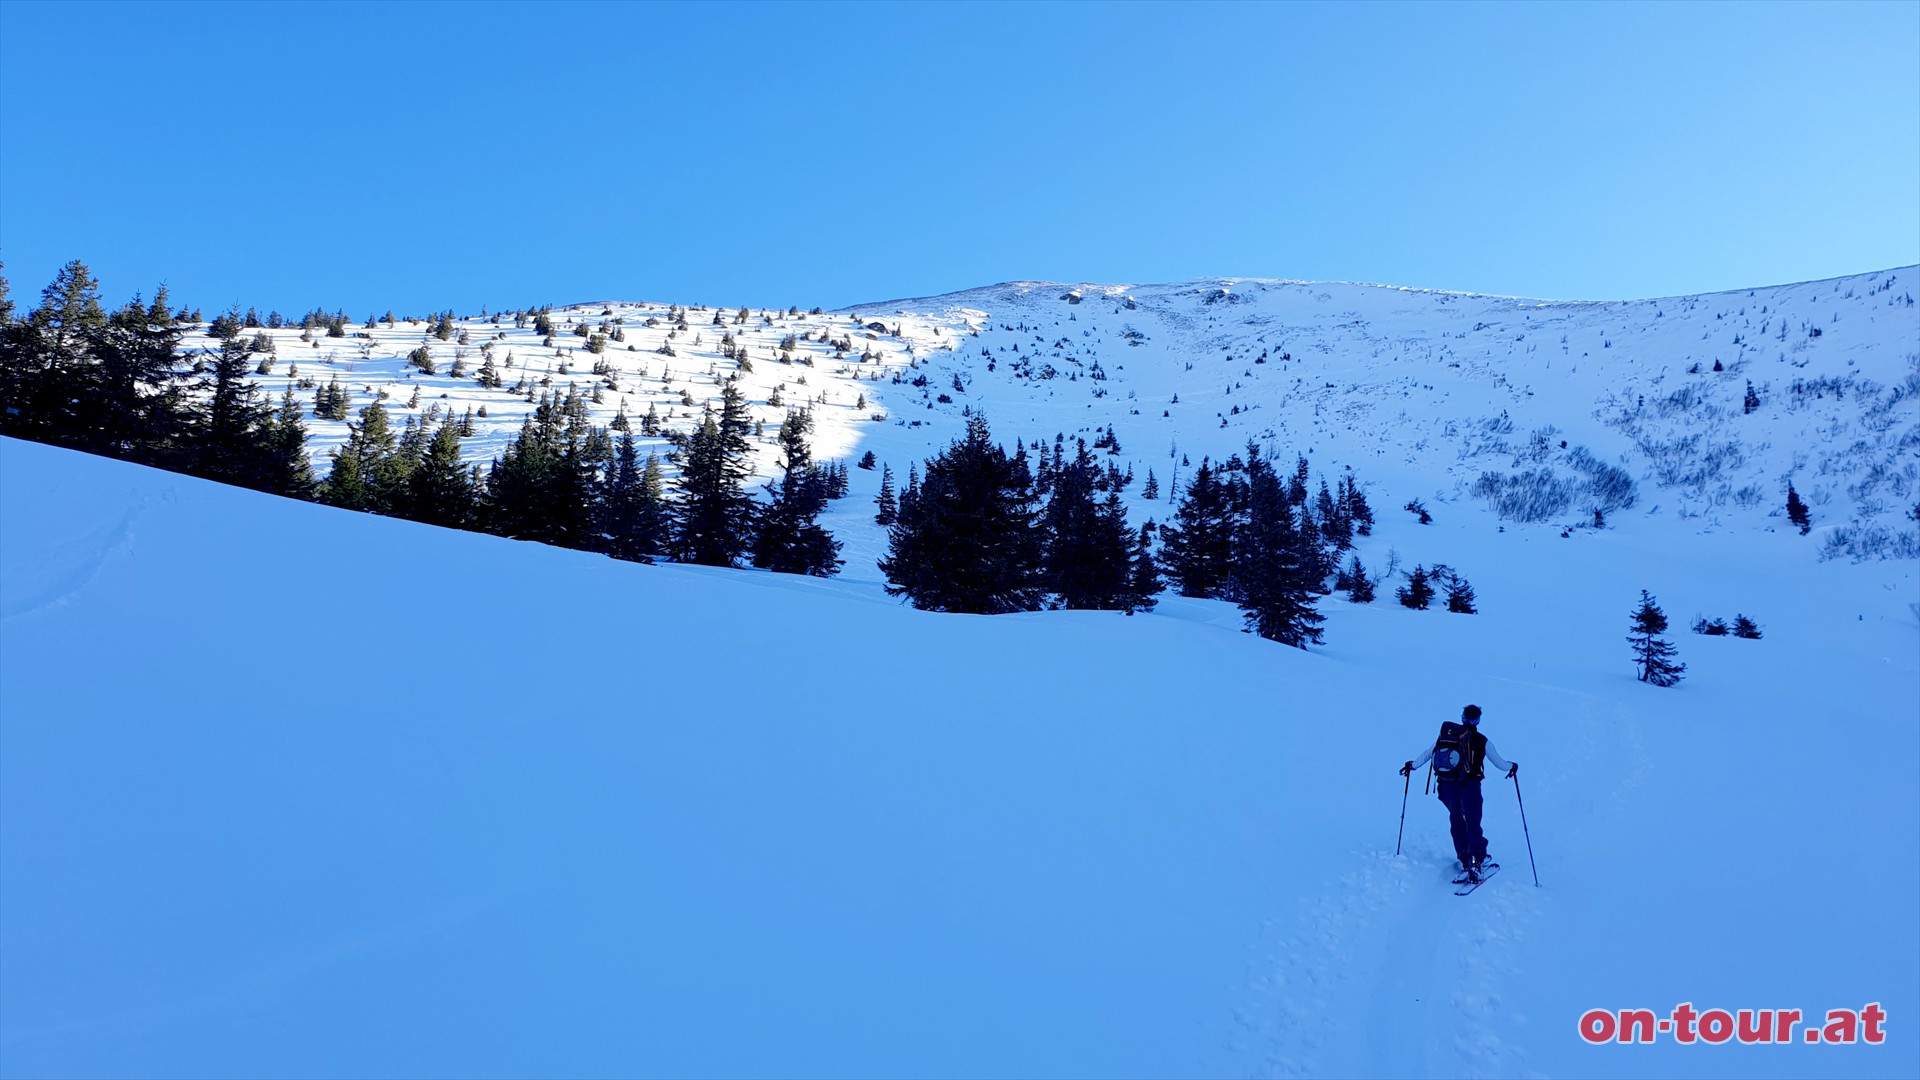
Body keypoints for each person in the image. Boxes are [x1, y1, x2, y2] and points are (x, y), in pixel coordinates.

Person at [1400, 704, 1517, 882]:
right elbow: (1500, 764)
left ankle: (1464, 858)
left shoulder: (1448, 737)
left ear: (1462, 717)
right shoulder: (1482, 740)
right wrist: (1512, 767)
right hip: (1470, 787)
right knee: (1473, 821)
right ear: (1477, 720)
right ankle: (1477, 860)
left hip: (1447, 787)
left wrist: (1411, 766)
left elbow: (1426, 755)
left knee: (1457, 819)